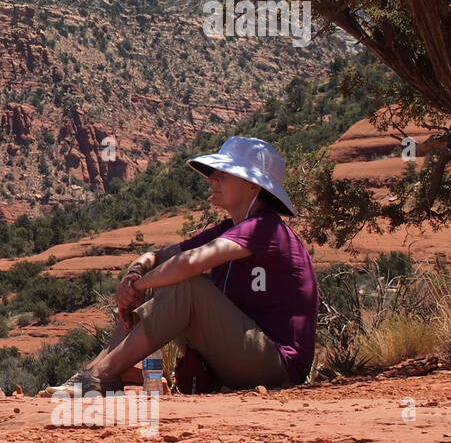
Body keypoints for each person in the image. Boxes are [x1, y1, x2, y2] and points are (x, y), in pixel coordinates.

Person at [49, 136, 319, 395]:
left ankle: (100, 377)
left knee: (186, 286)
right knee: (159, 283)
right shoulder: (231, 228)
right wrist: (135, 274)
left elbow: (190, 264)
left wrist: (139, 284)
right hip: (241, 358)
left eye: (223, 174)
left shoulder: (265, 227)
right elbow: (160, 255)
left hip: (277, 366)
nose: (213, 179)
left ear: (254, 186)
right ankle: (97, 373)